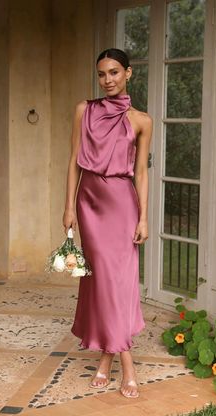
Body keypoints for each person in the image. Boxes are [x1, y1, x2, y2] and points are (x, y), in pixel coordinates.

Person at [63, 48, 152, 398]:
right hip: (89, 202)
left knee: (119, 280)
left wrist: (144, 216)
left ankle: (112, 360)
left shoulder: (142, 120)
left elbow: (141, 173)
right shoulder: (84, 110)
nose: (107, 80)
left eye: (114, 72)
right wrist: (67, 206)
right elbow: (73, 160)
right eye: (102, 74)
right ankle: (119, 359)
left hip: (122, 203)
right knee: (101, 280)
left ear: (128, 73)